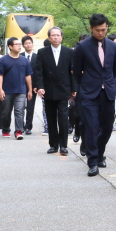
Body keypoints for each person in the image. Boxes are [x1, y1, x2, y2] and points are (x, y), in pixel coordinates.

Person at [72, 13, 116, 177]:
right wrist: (82, 88)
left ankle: (100, 153)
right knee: (92, 127)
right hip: (89, 93)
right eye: (97, 30)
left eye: (103, 29)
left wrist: (109, 82)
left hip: (107, 91)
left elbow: (115, 69)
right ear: (91, 29)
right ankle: (92, 162)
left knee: (107, 127)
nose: (101, 33)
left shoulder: (113, 47)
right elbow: (77, 71)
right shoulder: (82, 46)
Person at [33, 26, 76, 155]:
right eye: (53, 35)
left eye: (58, 35)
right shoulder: (42, 52)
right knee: (51, 118)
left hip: (64, 89)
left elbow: (72, 72)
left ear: (62, 37)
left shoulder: (69, 52)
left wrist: (74, 88)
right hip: (49, 89)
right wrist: (40, 87)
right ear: (49, 37)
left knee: (63, 118)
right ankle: (53, 145)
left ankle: (63, 145)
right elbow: (38, 71)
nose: (56, 37)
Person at [0, 37, 33, 140]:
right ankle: (5, 129)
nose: (19, 46)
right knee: (6, 112)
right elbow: (0, 75)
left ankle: (18, 131)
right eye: (16, 44)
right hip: (7, 90)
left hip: (21, 90)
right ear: (10, 46)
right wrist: (0, 90)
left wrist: (29, 90)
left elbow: (28, 76)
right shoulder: (3, 60)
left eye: (19, 44)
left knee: (19, 111)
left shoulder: (24, 60)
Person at [20, 36, 38, 135]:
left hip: (33, 86)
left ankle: (28, 127)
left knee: (31, 107)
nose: (28, 45)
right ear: (23, 45)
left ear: (32, 44)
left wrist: (36, 86)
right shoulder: (20, 56)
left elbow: (38, 72)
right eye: (26, 43)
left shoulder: (37, 57)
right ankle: (20, 125)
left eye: (29, 43)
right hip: (21, 86)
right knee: (20, 106)